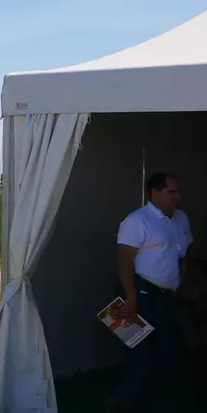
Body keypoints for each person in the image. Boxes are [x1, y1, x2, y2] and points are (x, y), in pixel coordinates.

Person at [110, 172, 193, 411]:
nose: (177, 197)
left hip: (165, 296)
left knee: (165, 351)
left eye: (178, 191)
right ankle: (122, 402)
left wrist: (187, 284)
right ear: (155, 192)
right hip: (137, 293)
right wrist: (130, 296)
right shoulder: (137, 220)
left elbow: (186, 252)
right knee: (138, 352)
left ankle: (142, 398)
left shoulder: (181, 219)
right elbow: (124, 259)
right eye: (171, 192)